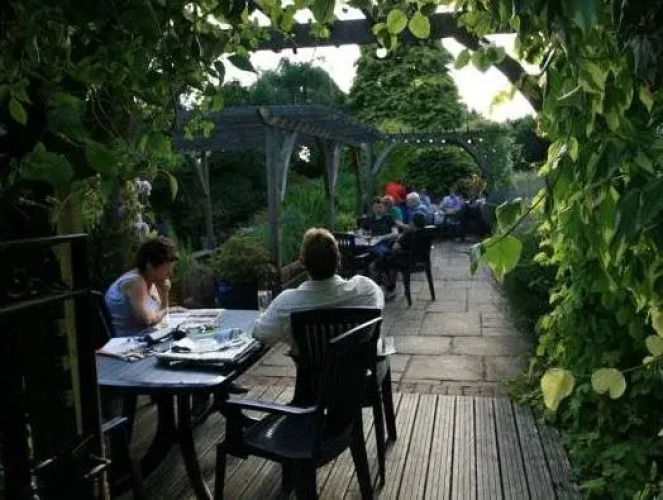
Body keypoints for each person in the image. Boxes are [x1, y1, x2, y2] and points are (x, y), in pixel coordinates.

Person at [252, 228, 384, 352]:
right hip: (357, 368)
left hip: (312, 370)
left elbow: (261, 334)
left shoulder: (286, 303)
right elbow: (379, 305)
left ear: (303, 263)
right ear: (339, 260)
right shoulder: (366, 289)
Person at [105, 237, 177, 337]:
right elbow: (147, 319)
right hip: (129, 340)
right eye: (166, 270)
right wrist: (165, 309)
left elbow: (159, 313)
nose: (170, 274)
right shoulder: (135, 282)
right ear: (150, 265)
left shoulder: (152, 281)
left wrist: (164, 294)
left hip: (147, 336)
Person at [376, 213, 427, 301]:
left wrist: (399, 238)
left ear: (412, 223)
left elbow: (395, 247)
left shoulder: (409, 233)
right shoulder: (424, 232)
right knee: (388, 260)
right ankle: (390, 288)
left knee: (379, 263)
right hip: (420, 260)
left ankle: (388, 289)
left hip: (406, 261)